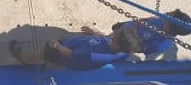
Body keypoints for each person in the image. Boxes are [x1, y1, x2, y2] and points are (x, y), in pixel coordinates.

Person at [11, 25, 142, 70]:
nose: (116, 30)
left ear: (118, 43)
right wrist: (94, 33)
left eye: (117, 33)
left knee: (45, 51)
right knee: (53, 58)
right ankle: (50, 61)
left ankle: (25, 59)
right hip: (76, 46)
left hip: (65, 51)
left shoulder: (93, 54)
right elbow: (107, 38)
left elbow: (72, 55)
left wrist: (57, 46)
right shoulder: (124, 52)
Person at [109, 9, 191, 55]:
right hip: (124, 33)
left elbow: (137, 49)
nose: (167, 12)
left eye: (168, 14)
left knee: (109, 44)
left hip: (122, 40)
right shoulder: (160, 21)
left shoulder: (159, 44)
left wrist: (118, 41)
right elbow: (144, 20)